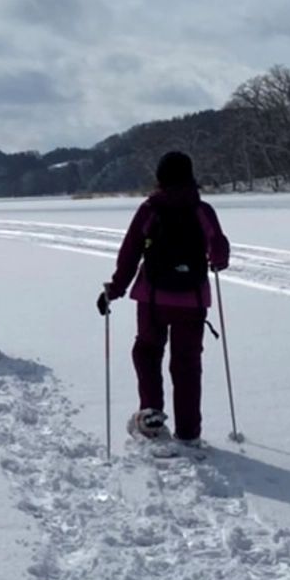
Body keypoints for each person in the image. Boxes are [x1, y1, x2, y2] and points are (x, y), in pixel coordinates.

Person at [96, 151, 231, 451]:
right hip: (193, 300)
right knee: (187, 364)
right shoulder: (202, 210)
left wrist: (115, 289)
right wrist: (218, 261)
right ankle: (188, 432)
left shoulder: (150, 209)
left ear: (160, 177)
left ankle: (152, 416)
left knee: (147, 352)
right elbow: (219, 249)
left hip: (152, 299)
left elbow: (129, 253)